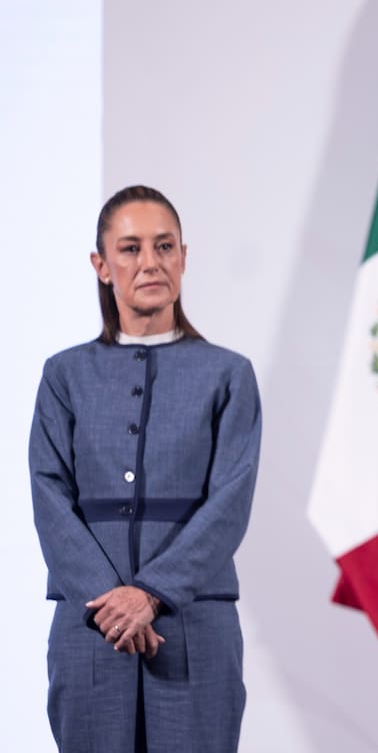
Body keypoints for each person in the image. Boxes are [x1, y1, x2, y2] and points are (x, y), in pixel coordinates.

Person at [29, 185, 262, 751]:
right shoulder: (64, 375)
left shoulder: (228, 375)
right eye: (130, 248)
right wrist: (110, 601)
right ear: (101, 266)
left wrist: (150, 594)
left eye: (164, 246)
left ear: (184, 256)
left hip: (192, 629)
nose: (150, 262)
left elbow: (230, 503)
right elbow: (48, 494)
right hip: (91, 630)